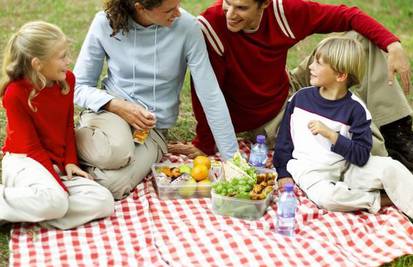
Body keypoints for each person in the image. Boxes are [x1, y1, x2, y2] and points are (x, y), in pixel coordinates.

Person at [169, 0, 413, 171]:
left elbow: (347, 15)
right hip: (268, 118)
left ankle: (398, 134)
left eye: (242, 7)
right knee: (333, 132)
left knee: (362, 40)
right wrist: (205, 142)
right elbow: (206, 92)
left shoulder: (283, 12)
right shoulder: (212, 26)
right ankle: (380, 157)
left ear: (264, 4)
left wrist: (392, 44)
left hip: (289, 84)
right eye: (227, 3)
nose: (230, 13)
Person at [73, 0, 238, 200]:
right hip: (110, 113)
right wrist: (116, 105)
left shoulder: (187, 27)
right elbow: (78, 86)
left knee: (113, 186)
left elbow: (210, 94)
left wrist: (233, 160)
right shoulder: (104, 24)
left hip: (152, 130)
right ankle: (65, 144)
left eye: (178, 5)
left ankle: (79, 165)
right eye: (169, 9)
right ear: (140, 8)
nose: (178, 13)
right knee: (117, 152)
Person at [273, 37, 413, 218]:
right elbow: (284, 142)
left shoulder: (356, 109)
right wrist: (283, 173)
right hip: (310, 171)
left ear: (340, 76)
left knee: (391, 167)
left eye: (318, 63)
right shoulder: (300, 100)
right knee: (328, 198)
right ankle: (379, 199)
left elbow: (362, 156)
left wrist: (333, 136)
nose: (310, 66)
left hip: (348, 168)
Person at [0, 21, 114, 229]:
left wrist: (70, 161)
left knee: (104, 201)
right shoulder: (15, 94)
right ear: (37, 64)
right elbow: (31, 148)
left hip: (56, 164)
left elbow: (67, 126)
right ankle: (15, 203)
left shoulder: (67, 80)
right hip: (25, 161)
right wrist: (58, 186)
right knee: (57, 200)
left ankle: (26, 213)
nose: (68, 61)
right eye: (61, 57)